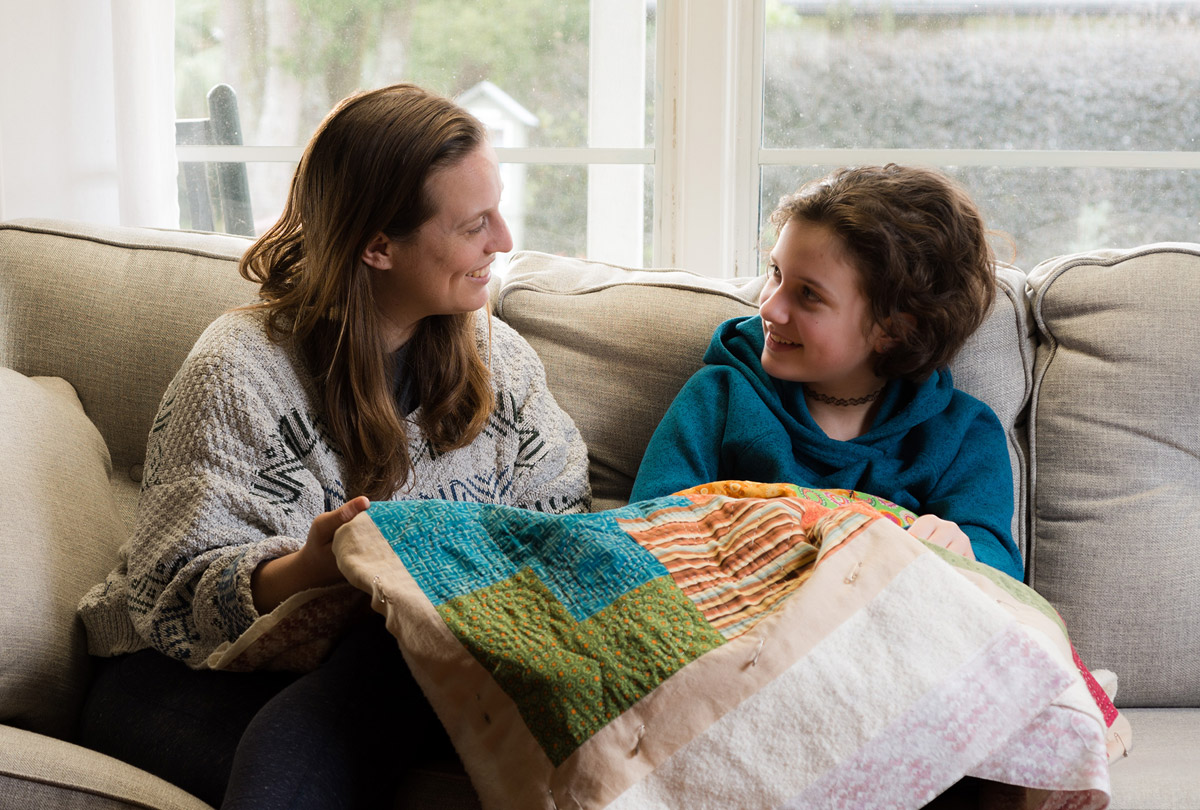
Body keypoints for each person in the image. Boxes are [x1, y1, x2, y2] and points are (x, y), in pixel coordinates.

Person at [76, 83, 590, 809]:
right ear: (378, 245)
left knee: (404, 648)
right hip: (187, 679)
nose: (503, 240)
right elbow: (170, 591)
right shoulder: (239, 369)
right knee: (390, 655)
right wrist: (309, 569)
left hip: (401, 681)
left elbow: (562, 529)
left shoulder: (498, 363)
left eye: (498, 209)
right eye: (474, 223)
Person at [629, 164, 1023, 581]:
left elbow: (999, 567)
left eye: (809, 295)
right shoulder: (721, 397)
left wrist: (962, 547)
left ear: (894, 329)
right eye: (775, 273)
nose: (769, 308)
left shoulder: (962, 434)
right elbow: (643, 532)